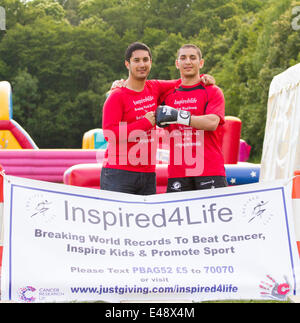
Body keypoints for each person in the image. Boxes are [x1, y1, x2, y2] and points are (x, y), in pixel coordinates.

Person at [101, 42, 214, 195]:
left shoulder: (154, 87)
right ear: (127, 64)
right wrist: (144, 123)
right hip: (119, 173)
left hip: (148, 174)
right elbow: (109, 134)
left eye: (145, 60)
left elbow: (183, 82)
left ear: (151, 63)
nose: (142, 64)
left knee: (144, 219)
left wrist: (203, 77)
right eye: (136, 60)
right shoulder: (117, 96)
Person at [156, 44, 228, 192]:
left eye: (192, 58)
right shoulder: (167, 94)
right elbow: (138, 95)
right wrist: (120, 85)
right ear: (177, 63)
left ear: (201, 63)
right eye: (183, 58)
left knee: (214, 215)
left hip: (210, 169)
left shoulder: (213, 91)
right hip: (178, 172)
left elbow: (212, 122)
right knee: (178, 216)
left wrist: (177, 116)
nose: (188, 62)